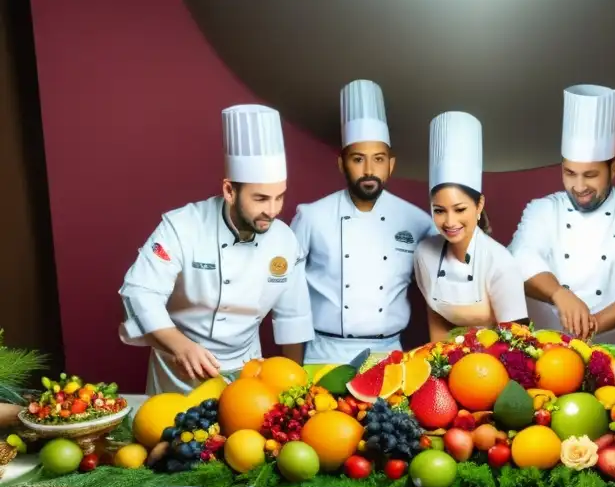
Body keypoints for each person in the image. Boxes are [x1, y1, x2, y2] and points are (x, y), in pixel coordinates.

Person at [118, 105, 313, 394]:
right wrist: (180, 345)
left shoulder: (284, 240)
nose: (271, 211)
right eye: (260, 198)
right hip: (180, 369)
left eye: (279, 197)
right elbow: (138, 291)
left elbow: (293, 318)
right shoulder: (182, 226)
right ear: (229, 191)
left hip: (249, 373)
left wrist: (296, 387)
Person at [508, 85, 615, 360]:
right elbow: (519, 259)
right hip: (546, 360)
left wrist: (590, 327)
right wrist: (559, 294)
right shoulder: (541, 210)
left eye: (590, 175)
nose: (579, 186)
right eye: (570, 173)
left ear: (613, 168)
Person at [291, 80, 434, 364]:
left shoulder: (418, 221)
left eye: (378, 159)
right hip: (323, 353)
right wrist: (290, 369)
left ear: (390, 165)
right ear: (342, 163)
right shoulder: (311, 216)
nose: (369, 170)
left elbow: (448, 279)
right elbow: (288, 294)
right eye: (358, 159)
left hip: (390, 354)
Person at [413, 111, 528, 341]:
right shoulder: (424, 254)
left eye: (460, 209)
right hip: (448, 358)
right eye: (439, 210)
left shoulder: (500, 261)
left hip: (496, 362)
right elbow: (435, 318)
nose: (450, 222)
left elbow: (518, 340)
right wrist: (439, 364)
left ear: (479, 205)